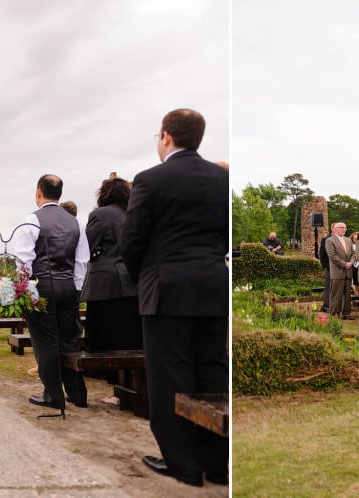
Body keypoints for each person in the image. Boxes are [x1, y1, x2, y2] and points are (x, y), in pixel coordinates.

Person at [121, 109, 228, 486]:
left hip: (166, 288)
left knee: (170, 375)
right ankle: (218, 463)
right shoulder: (222, 178)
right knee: (214, 371)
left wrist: (144, 278)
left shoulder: (150, 180)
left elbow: (132, 241)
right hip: (214, 286)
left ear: (166, 136)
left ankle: (182, 463)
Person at [14, 175, 89, 417]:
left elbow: (24, 260)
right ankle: (78, 395)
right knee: (69, 339)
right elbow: (82, 262)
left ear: (38, 193)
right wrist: (76, 290)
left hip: (41, 287)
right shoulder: (75, 223)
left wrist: (23, 289)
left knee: (45, 341)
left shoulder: (31, 221)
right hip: (68, 286)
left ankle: (53, 395)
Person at [83, 175, 142, 357]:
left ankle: (103, 371)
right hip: (133, 281)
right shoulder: (134, 214)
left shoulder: (99, 215)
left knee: (104, 335)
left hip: (105, 284)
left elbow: (87, 248)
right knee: (130, 335)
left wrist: (97, 253)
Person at [323, 222, 354, 320]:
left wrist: (351, 262)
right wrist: (344, 264)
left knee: (347, 293)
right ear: (335, 229)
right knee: (336, 293)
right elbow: (332, 256)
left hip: (348, 271)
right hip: (337, 271)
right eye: (341, 228)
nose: (344, 230)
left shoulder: (348, 240)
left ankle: (346, 313)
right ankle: (334, 313)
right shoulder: (330, 240)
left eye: (345, 228)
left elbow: (354, 253)